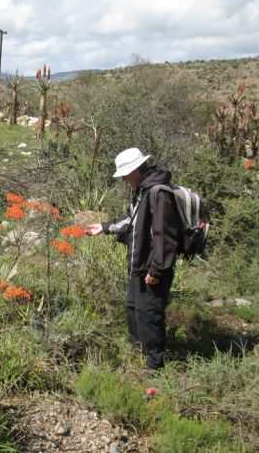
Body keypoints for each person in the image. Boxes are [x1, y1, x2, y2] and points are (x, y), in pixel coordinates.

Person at [86, 148, 180, 371]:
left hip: (153, 268)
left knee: (149, 315)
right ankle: (137, 354)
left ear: (138, 169)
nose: (124, 179)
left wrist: (156, 270)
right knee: (133, 309)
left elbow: (164, 236)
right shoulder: (141, 191)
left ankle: (154, 367)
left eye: (126, 174)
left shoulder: (158, 193)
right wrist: (105, 227)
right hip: (137, 266)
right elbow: (132, 220)